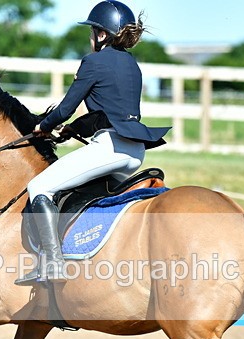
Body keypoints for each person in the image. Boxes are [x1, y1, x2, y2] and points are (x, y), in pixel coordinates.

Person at [16, 0, 171, 286]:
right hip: (135, 152)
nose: (90, 38)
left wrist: (44, 126)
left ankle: (53, 263)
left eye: (93, 32)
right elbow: (107, 113)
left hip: (110, 148)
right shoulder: (132, 65)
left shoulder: (93, 62)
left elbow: (65, 109)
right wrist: (69, 131)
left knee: (39, 186)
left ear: (102, 34)